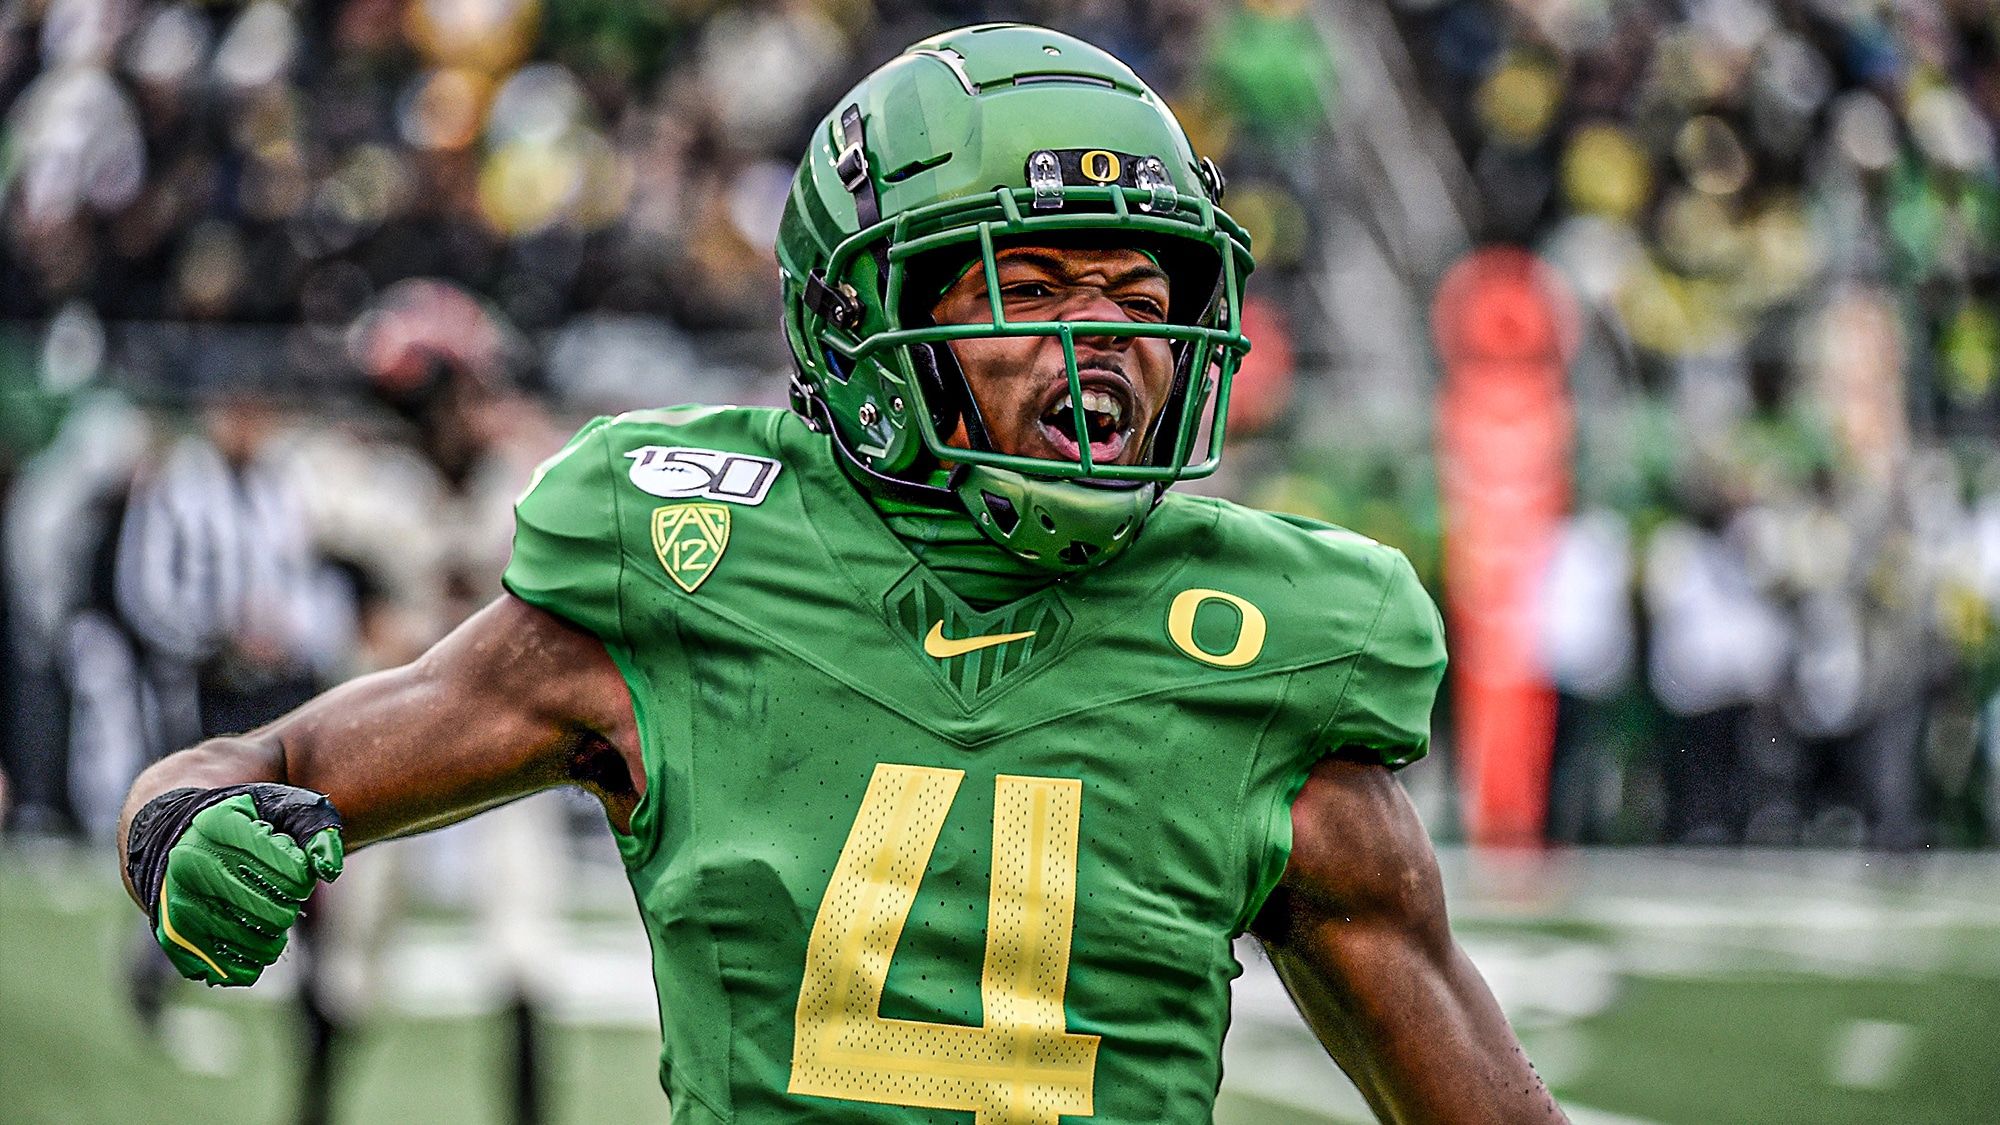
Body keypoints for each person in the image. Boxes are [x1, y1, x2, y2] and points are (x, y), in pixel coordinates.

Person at [117, 25, 1564, 1124]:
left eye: (1142, 294)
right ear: (870, 318)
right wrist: (179, 829)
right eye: (1033, 286)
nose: (1106, 340)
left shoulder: (1275, 643)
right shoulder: (691, 558)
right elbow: (265, 758)